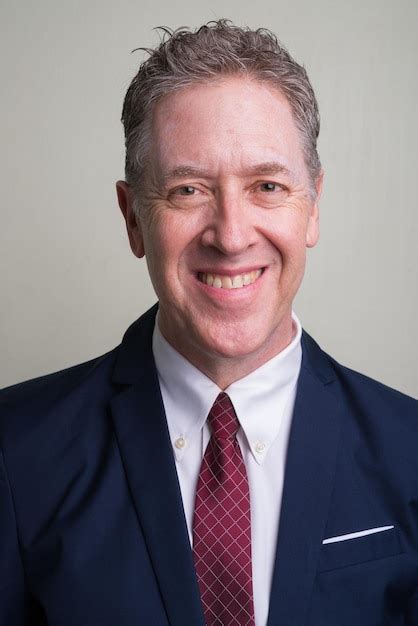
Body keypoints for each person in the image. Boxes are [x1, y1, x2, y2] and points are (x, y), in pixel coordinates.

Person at [0, 19, 417, 626]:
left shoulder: (408, 449)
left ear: (313, 208)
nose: (232, 234)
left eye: (267, 186)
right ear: (134, 218)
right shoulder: (16, 452)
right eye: (188, 190)